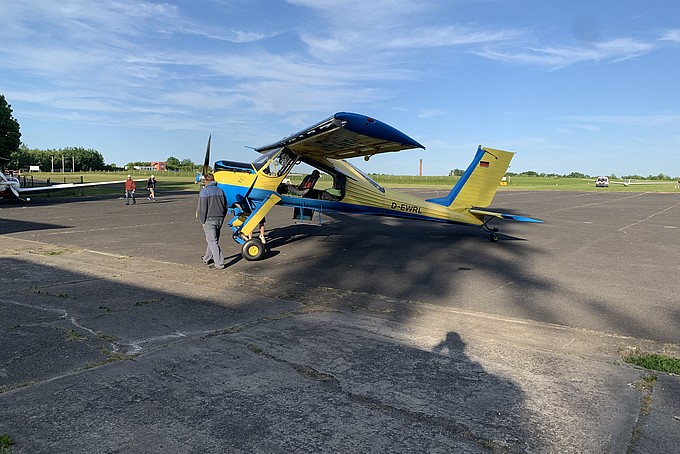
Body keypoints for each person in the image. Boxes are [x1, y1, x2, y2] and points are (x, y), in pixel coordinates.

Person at [198, 173, 228, 269]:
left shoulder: (204, 192)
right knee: (212, 240)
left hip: (209, 219)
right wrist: (222, 216)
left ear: (205, 181)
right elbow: (225, 206)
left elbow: (203, 209)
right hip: (220, 218)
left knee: (212, 241)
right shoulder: (221, 191)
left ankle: (219, 263)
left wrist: (203, 221)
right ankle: (206, 258)